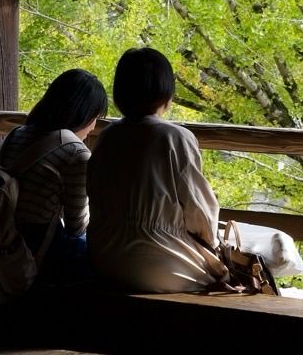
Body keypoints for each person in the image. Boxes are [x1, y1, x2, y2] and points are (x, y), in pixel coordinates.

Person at [86, 46, 226, 293]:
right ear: (166, 94)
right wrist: (210, 244)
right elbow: (200, 212)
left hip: (104, 258)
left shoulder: (107, 136)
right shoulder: (175, 137)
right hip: (162, 267)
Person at [0, 67, 107, 283]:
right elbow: (77, 226)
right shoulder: (76, 153)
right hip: (33, 252)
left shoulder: (16, 135)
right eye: (95, 117)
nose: (94, 126)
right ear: (84, 114)